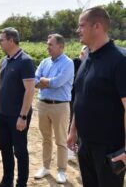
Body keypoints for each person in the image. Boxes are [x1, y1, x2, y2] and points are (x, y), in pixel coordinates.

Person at [67, 6, 126, 187]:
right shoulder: (86, 58)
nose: (78, 30)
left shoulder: (119, 60)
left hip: (110, 149)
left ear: (97, 26)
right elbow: (82, 98)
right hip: (85, 145)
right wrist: (73, 131)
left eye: (82, 25)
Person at [0, 27, 35, 187]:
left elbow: (30, 90)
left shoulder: (25, 61)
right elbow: (1, 86)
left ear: (11, 40)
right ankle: (7, 180)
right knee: (5, 147)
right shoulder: (5, 60)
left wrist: (23, 116)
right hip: (4, 114)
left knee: (20, 151)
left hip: (18, 115)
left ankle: (21, 183)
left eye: (1, 40)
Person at [33, 34, 74, 184]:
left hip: (60, 106)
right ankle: (45, 166)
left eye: (51, 44)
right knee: (45, 138)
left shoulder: (68, 63)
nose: (47, 47)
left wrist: (45, 81)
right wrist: (44, 81)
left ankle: (61, 170)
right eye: (47, 44)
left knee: (61, 140)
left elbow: (58, 82)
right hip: (43, 104)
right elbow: (35, 80)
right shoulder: (44, 62)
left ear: (61, 46)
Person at [67, 45, 87, 161]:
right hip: (73, 98)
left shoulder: (90, 63)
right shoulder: (76, 62)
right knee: (72, 122)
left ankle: (76, 148)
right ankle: (70, 151)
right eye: (85, 52)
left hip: (82, 99)